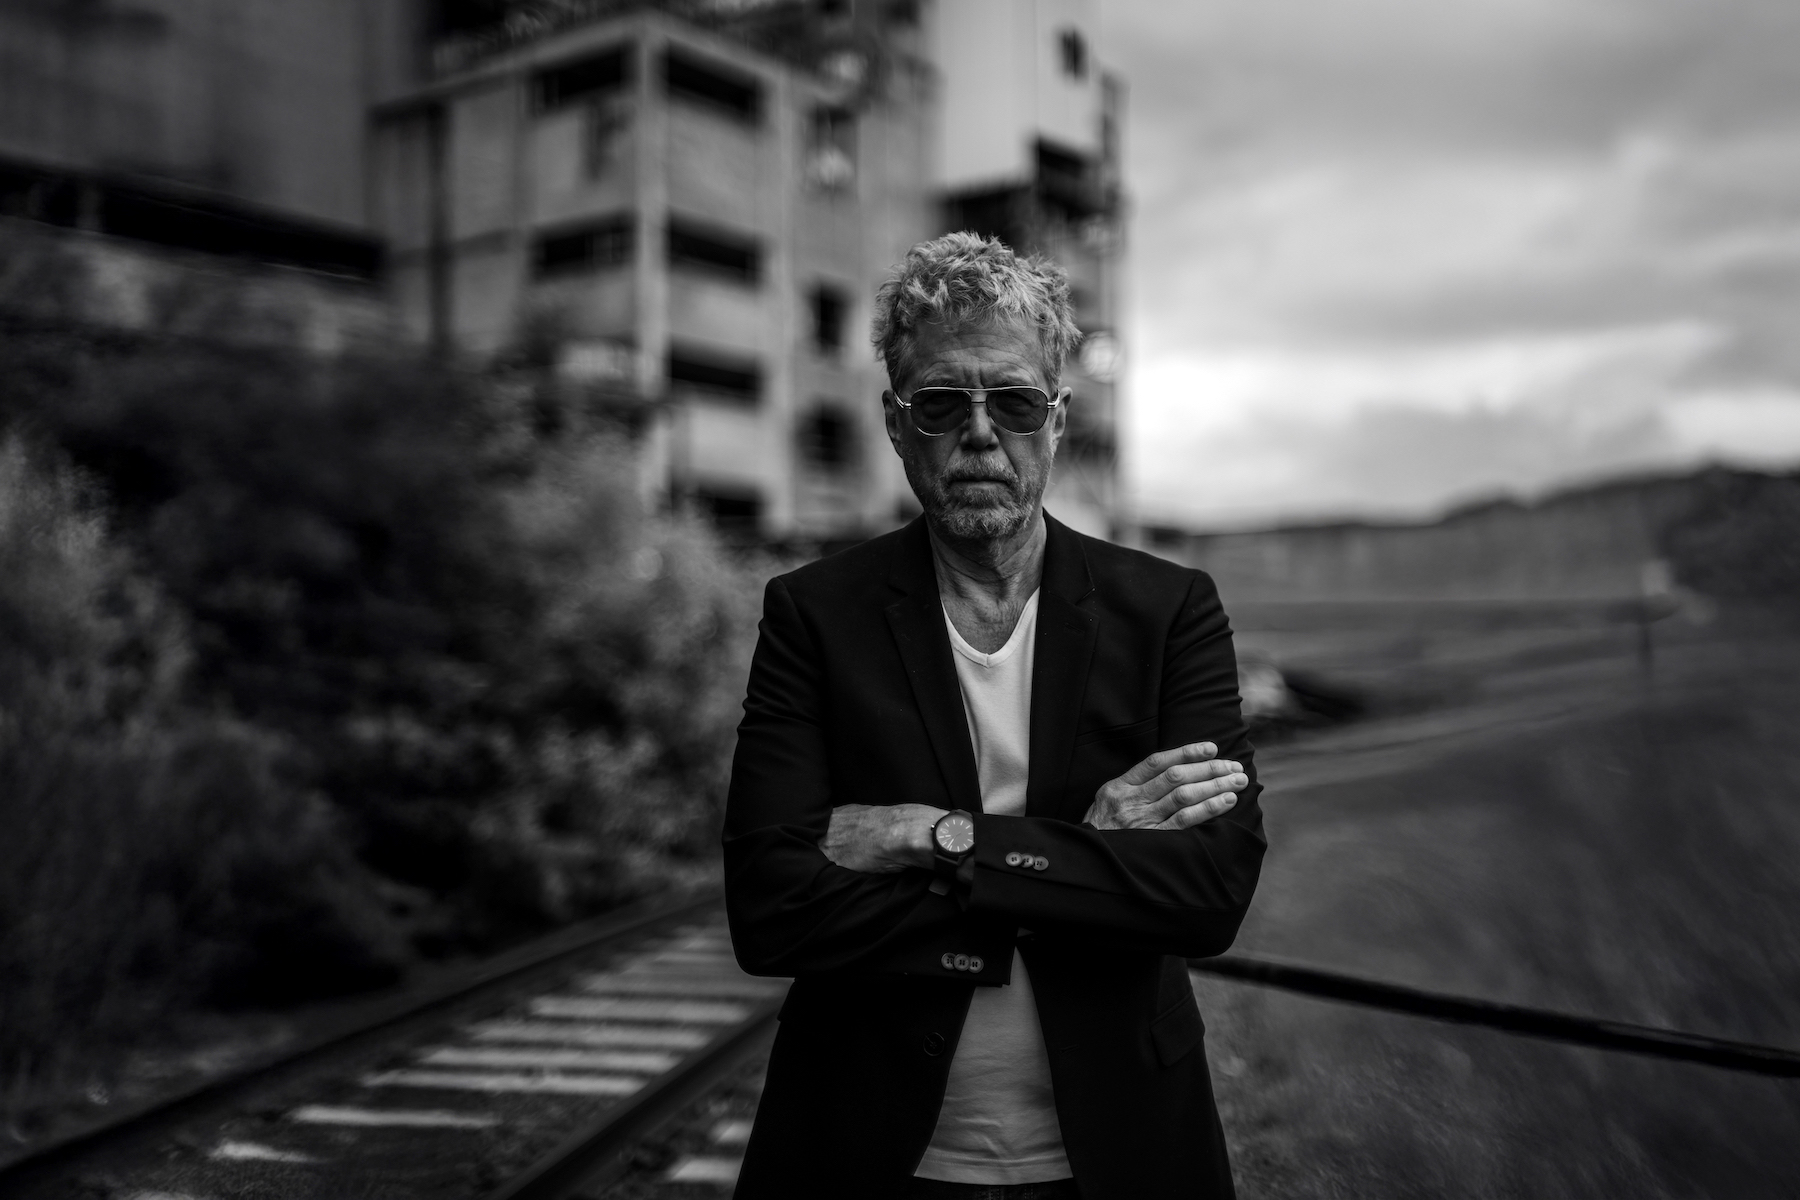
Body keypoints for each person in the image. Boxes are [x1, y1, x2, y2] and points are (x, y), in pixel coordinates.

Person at [724, 232, 1265, 1200]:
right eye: (942, 402)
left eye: (1012, 401)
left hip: (1119, 1152)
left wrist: (936, 838)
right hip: (866, 1149)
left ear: (1055, 420)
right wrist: (1085, 857)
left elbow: (1207, 895)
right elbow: (771, 912)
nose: (981, 431)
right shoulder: (814, 615)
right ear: (896, 423)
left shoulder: (1169, 610)